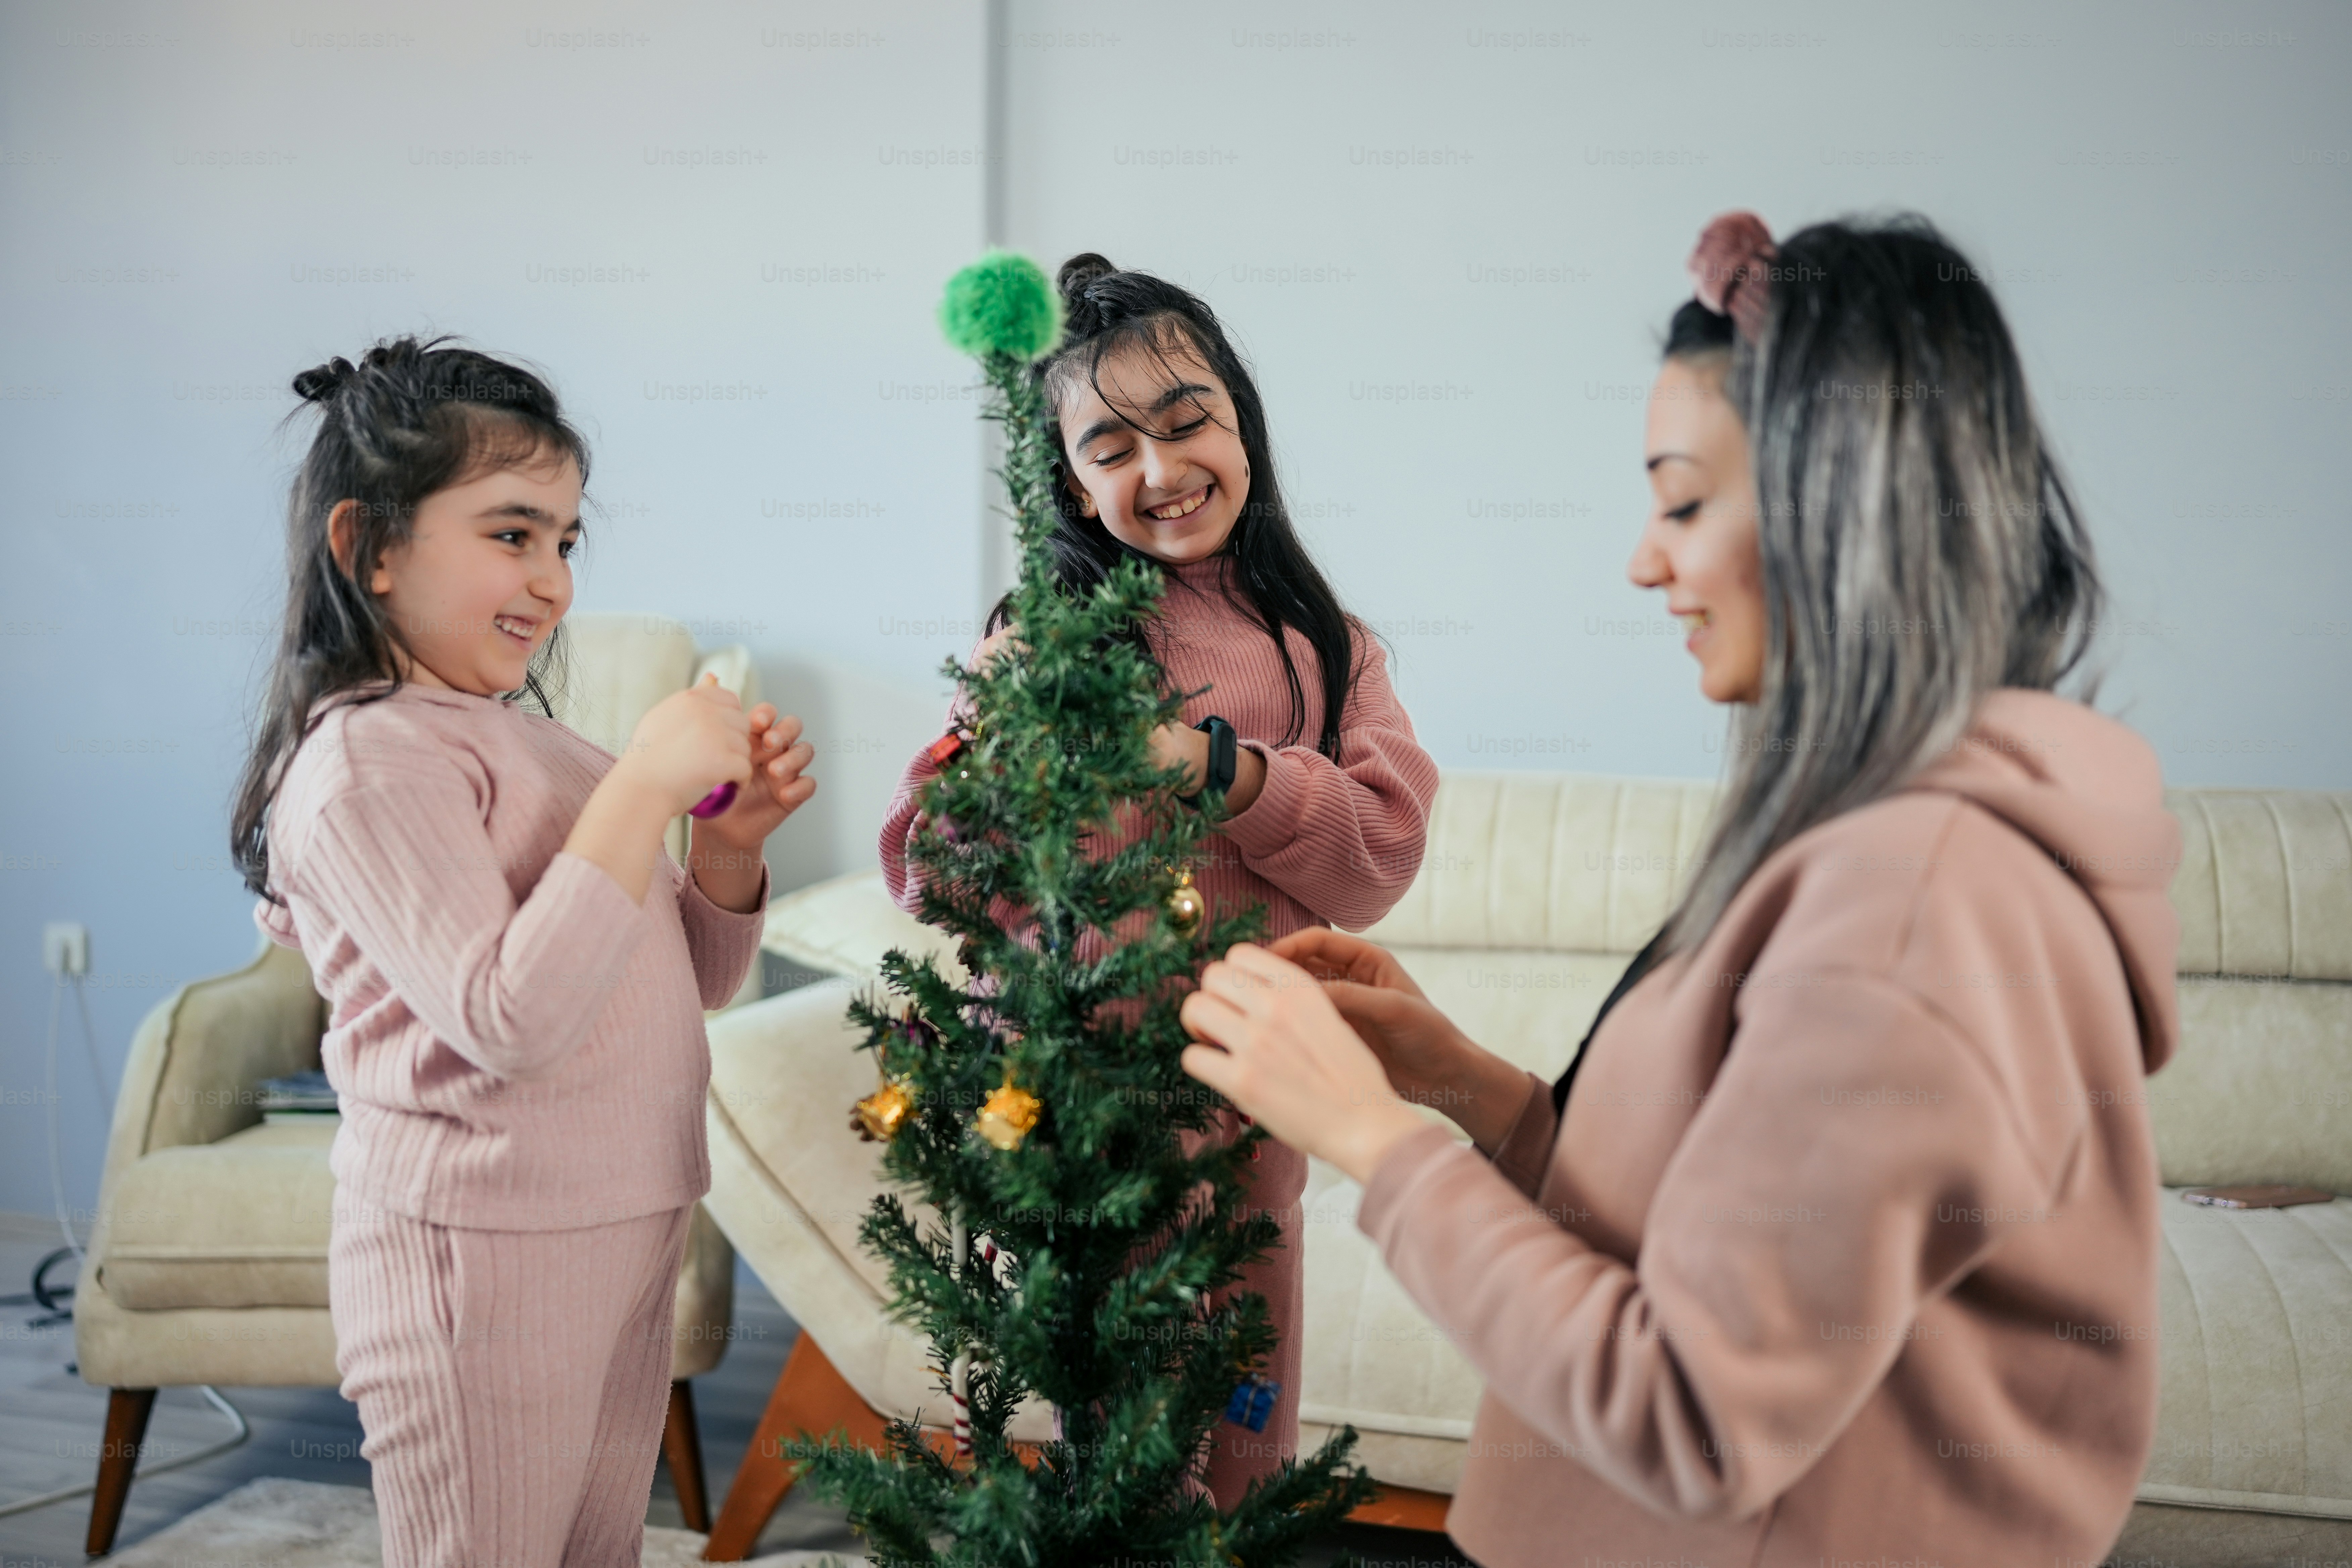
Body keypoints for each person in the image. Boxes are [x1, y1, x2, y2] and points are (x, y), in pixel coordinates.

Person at [1178, 214, 2180, 1567]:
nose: (1646, 562)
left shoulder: (1914, 903)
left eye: (1686, 501)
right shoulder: (1886, 839)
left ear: (1847, 504)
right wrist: (1466, 1090)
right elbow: (1726, 1245)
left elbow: (1697, 1416)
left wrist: (1370, 1140)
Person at [230, 337, 817, 1567]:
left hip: (628, 1211)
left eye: (565, 541)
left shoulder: (538, 749)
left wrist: (730, 849)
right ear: (370, 547)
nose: (551, 580)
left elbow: (688, 977)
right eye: (512, 533)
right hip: (481, 1256)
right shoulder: (363, 762)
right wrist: (651, 777)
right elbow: (512, 1016)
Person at [878, 254, 1440, 1507]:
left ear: (1242, 421)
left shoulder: (1326, 646)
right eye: (1111, 447)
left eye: (1188, 423)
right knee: (1119, 1458)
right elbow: (932, 868)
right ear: (1069, 486)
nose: (1161, 469)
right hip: (1087, 1118)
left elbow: (1380, 858)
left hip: (1257, 1107)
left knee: (1247, 1421)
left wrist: (1221, 772)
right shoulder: (1042, 637)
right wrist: (1008, 764)